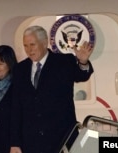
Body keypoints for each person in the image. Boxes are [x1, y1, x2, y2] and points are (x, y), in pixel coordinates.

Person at [10, 25, 94, 153]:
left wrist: (83, 62)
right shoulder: (19, 69)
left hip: (61, 138)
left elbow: (81, 75)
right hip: (31, 142)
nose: (29, 50)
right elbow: (16, 108)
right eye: (25, 45)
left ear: (44, 43)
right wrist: (15, 142)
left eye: (32, 44)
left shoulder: (64, 62)